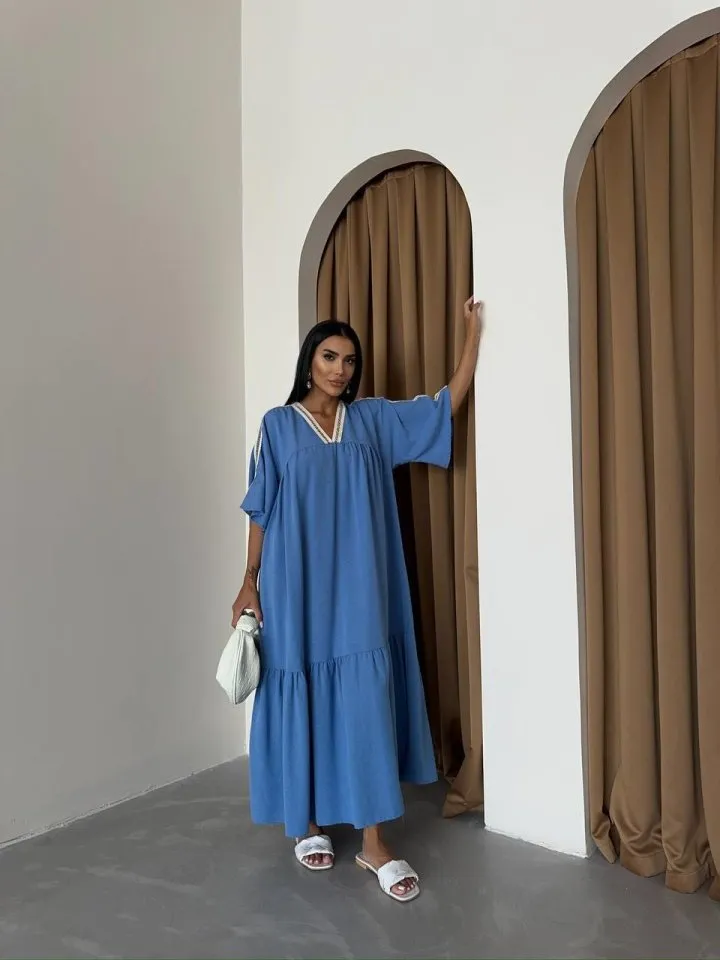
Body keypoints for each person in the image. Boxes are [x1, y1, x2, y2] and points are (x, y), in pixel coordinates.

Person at [232, 297, 483, 903]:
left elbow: (442, 406)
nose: (339, 369)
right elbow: (260, 509)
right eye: (329, 357)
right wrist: (249, 580)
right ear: (309, 361)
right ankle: (308, 823)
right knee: (301, 683)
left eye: (348, 360)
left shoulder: (371, 420)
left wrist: (473, 338)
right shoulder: (277, 426)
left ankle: (374, 843)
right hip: (295, 585)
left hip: (362, 584)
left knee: (366, 692)